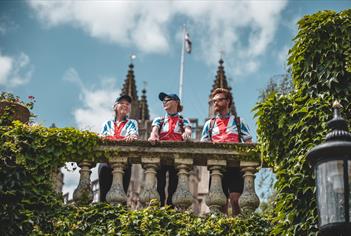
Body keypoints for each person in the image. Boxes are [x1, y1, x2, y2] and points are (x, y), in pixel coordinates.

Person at [201, 88, 252, 216]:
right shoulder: (209, 124)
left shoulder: (239, 122)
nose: (216, 103)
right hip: (217, 167)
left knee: (236, 200)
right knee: (220, 203)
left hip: (235, 166)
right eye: (214, 101)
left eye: (219, 100)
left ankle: (236, 229)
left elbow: (249, 144)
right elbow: (202, 146)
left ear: (227, 101)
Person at [148, 92, 192, 206]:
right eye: (163, 101)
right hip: (161, 155)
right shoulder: (160, 119)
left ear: (176, 102)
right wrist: (153, 135)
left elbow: (188, 129)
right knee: (160, 183)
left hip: (176, 155)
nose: (164, 102)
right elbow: (154, 130)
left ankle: (170, 208)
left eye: (167, 100)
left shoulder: (183, 120)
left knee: (174, 183)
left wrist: (187, 133)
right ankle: (161, 206)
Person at [98, 94, 138, 202]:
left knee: (122, 196)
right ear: (115, 106)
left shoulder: (132, 123)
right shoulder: (107, 123)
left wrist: (130, 137)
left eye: (128, 104)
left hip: (124, 162)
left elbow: (133, 135)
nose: (125, 105)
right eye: (122, 103)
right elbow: (101, 136)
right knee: (103, 195)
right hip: (106, 162)